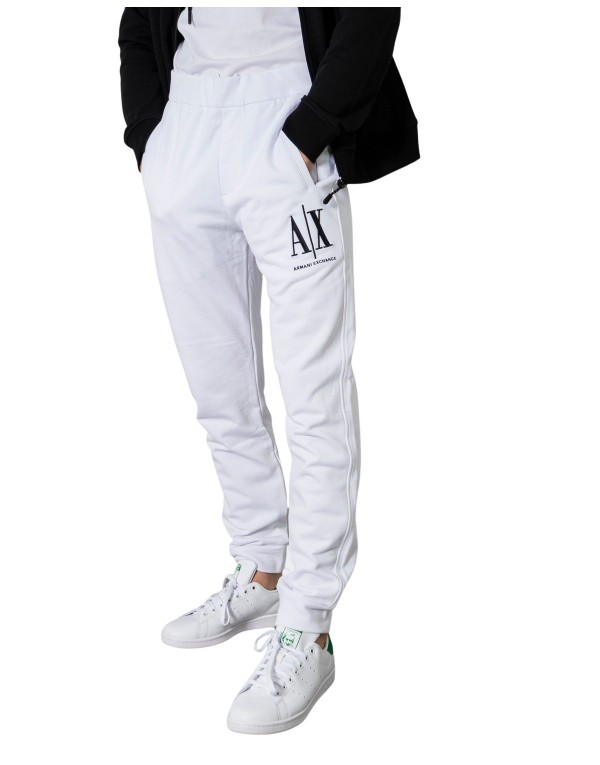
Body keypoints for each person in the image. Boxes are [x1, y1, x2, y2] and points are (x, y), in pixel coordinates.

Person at [118, 7, 418, 734]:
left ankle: (308, 625)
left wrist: (313, 127)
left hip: (288, 113)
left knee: (315, 394)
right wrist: (149, 135)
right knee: (218, 388)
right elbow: (135, 20)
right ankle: (261, 567)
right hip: (186, 121)